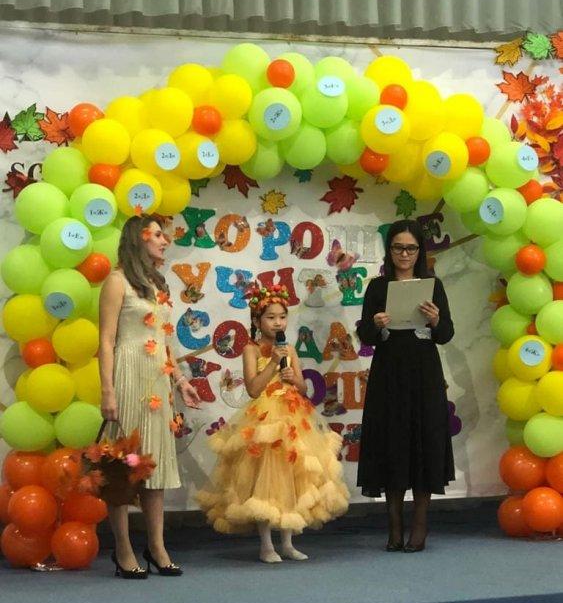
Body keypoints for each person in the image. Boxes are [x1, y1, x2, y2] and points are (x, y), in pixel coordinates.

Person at [197, 283, 350, 563]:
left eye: (282, 316)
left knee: (290, 478)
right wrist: (272, 364)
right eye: (270, 317)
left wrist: (295, 379)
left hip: (292, 417)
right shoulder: (251, 349)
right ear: (257, 321)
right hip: (265, 419)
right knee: (263, 481)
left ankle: (288, 542)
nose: (277, 322)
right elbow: (253, 389)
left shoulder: (289, 348)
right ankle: (266, 544)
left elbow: (303, 387)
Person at [99, 214, 200, 579]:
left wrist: (181, 381)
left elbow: (164, 339)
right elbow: (106, 340)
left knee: (153, 466)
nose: (164, 240)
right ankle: (123, 549)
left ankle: (157, 547)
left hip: (157, 381)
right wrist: (108, 390)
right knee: (125, 468)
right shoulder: (116, 281)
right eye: (157, 234)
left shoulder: (157, 285)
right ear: (138, 239)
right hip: (128, 376)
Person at [356, 219, 455, 553]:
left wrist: (436, 319)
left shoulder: (432, 285)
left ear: (419, 251)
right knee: (392, 443)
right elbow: (365, 336)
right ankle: (394, 526)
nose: (404, 254)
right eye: (398, 247)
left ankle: (420, 526)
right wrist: (375, 324)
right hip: (389, 373)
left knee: (424, 442)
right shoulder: (377, 287)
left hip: (424, 374)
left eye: (411, 248)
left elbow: (446, 334)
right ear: (390, 250)